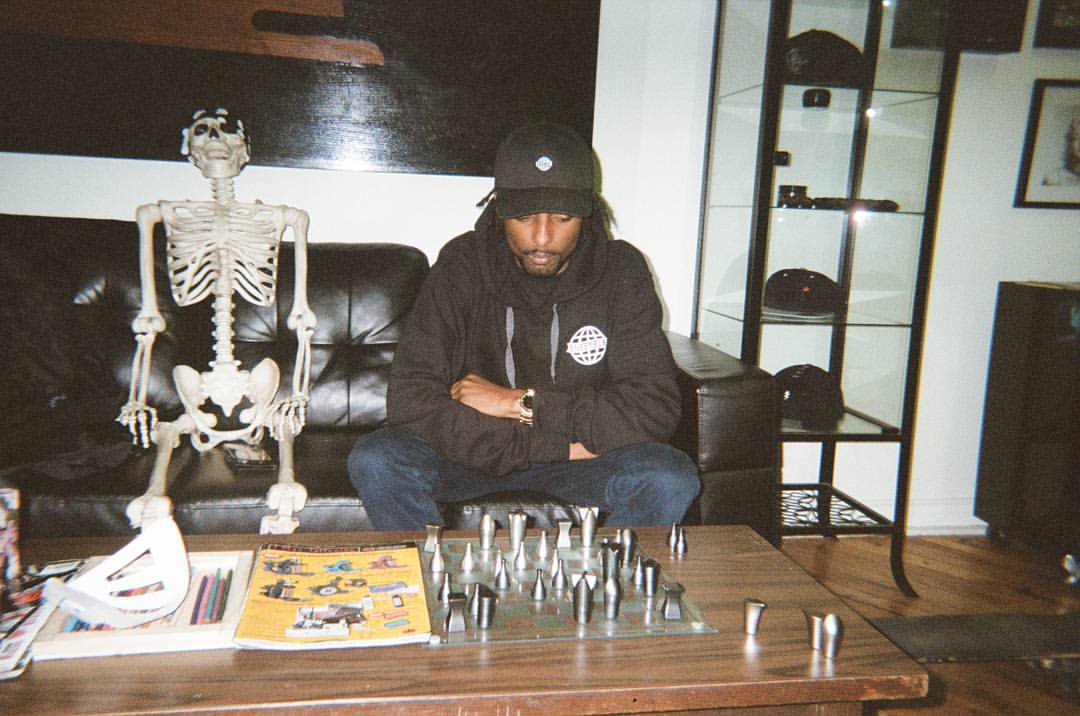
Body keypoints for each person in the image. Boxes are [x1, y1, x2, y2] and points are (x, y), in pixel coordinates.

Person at [347, 122, 699, 530]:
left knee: (668, 477)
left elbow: (652, 409)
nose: (543, 238)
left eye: (563, 218)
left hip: (581, 463)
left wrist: (519, 403)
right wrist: (549, 446)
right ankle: (426, 569)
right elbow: (411, 400)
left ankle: (605, 572)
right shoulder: (461, 264)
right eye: (524, 217)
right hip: (477, 454)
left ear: (588, 214)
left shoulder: (622, 271)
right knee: (378, 459)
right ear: (498, 209)